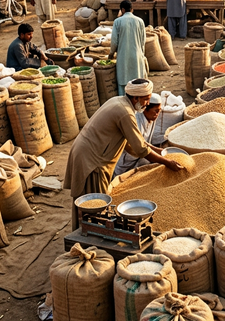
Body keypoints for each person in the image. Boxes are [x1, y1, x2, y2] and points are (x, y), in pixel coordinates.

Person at [63, 79, 185, 228]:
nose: (147, 103)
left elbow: (132, 142)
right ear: (135, 98)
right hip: (92, 158)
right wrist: (166, 162)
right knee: (94, 202)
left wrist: (159, 151)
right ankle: (89, 237)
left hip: (87, 149)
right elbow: (140, 149)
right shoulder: (125, 113)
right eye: (146, 99)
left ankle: (87, 231)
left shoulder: (119, 101)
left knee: (92, 200)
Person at [113, 93, 164, 176]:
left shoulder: (151, 118)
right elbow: (140, 144)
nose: (157, 114)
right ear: (145, 109)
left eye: (159, 111)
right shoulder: (136, 121)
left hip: (139, 157)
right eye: (156, 111)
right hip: (127, 160)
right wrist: (160, 152)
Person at [110, 0, 147, 95]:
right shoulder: (140, 21)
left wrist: (111, 54)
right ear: (132, 9)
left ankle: (125, 106)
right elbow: (143, 41)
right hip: (137, 56)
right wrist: (142, 54)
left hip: (123, 57)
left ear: (122, 10)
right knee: (137, 83)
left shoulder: (117, 21)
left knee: (124, 84)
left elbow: (114, 42)